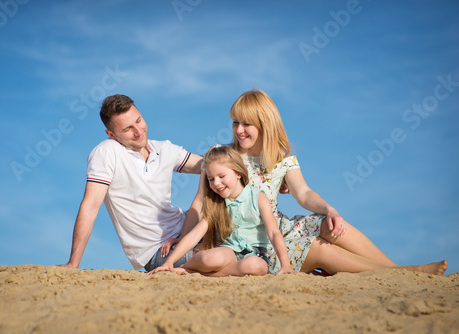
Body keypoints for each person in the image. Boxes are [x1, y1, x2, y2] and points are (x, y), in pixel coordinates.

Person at [228, 89, 447, 276]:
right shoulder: (226, 158)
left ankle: (399, 269)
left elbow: (303, 193)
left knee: (332, 224)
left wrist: (330, 210)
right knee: (317, 247)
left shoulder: (282, 160)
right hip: (256, 243)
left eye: (247, 124)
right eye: (235, 122)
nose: (239, 130)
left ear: (265, 124)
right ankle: (404, 273)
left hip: (281, 228)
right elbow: (195, 164)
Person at [59, 94, 203, 271]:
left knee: (220, 170)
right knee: (221, 256)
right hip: (158, 250)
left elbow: (213, 165)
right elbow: (90, 206)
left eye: (139, 120)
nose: (138, 131)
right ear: (112, 134)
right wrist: (73, 263)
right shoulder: (106, 152)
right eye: (128, 129)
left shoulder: (163, 148)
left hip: (188, 227)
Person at [149, 145, 294, 277]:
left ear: (238, 173)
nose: (216, 183)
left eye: (221, 176)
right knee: (210, 258)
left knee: (254, 266)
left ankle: (194, 273)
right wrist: (170, 261)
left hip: (256, 254)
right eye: (211, 179)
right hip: (228, 251)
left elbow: (274, 233)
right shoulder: (217, 203)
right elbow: (195, 235)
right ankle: (185, 267)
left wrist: (285, 264)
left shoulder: (258, 198)